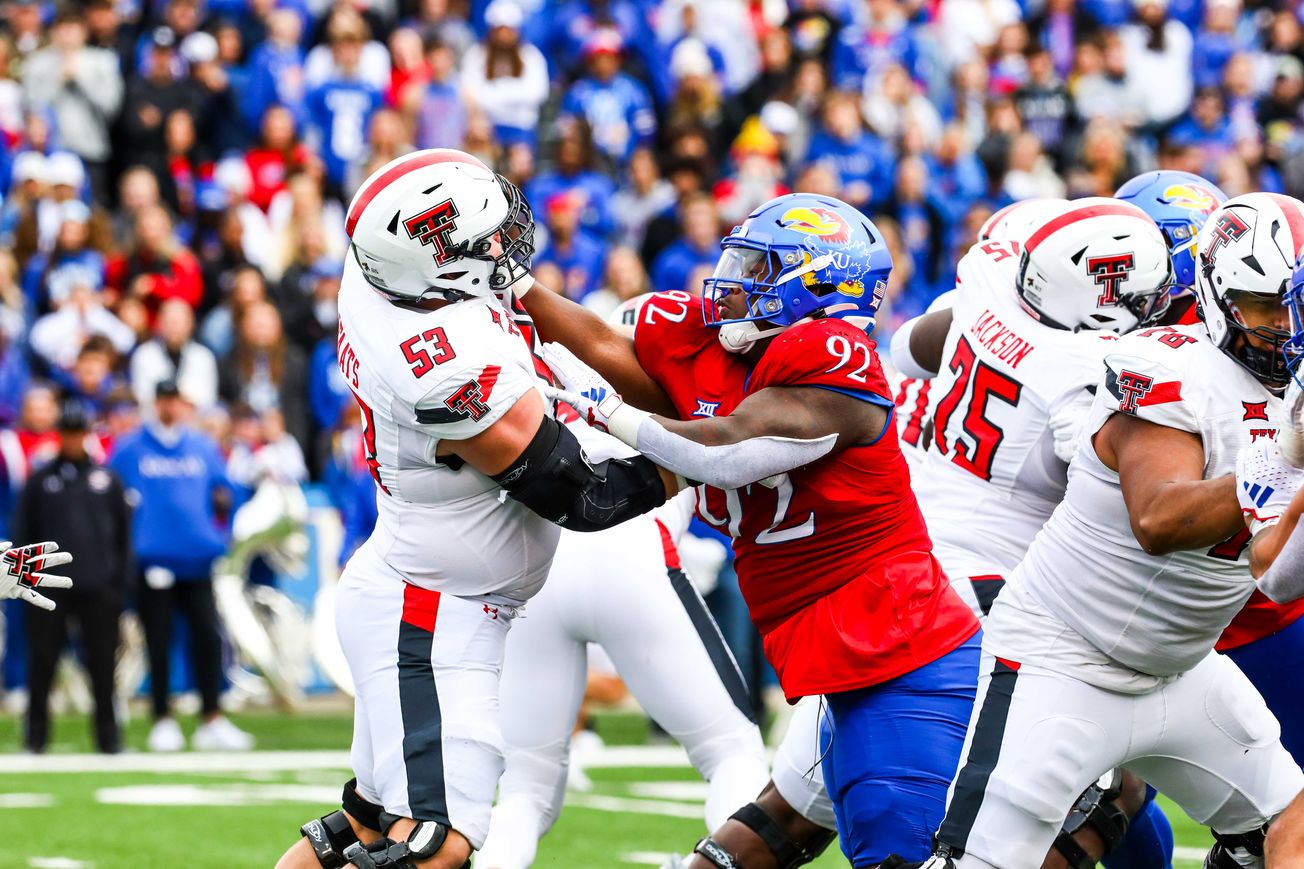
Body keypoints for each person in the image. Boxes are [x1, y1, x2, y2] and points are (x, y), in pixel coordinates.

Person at [519, 191, 981, 867]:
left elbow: (726, 451)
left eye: (758, 267)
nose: (730, 282)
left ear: (820, 284)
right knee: (733, 856)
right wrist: (512, 284)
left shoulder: (834, 356)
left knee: (897, 848)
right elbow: (597, 341)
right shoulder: (713, 348)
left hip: (899, 652)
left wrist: (609, 413)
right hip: (838, 658)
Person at [277, 149, 675, 869]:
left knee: (361, 831)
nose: (504, 244)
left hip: (422, 593)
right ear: (438, 266)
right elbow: (582, 495)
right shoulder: (436, 361)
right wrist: (709, 459)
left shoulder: (392, 274)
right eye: (484, 239)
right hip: (433, 613)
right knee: (438, 844)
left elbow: (546, 316)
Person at [902, 193, 1304, 869]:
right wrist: (1281, 460)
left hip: (1180, 670)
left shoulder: (1287, 392)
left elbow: (1274, 570)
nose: (1290, 328)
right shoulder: (1168, 363)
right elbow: (1159, 516)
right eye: (1270, 306)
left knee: (1285, 821)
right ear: (1218, 296)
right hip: (1061, 659)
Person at [108, 378, 254, 753]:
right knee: (158, 640)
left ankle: (211, 717)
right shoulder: (131, 450)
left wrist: (218, 535)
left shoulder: (202, 447)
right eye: (164, 399)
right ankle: (162, 718)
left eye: (175, 399)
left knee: (207, 637)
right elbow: (109, 498)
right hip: (153, 562)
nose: (170, 406)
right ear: (155, 403)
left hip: (197, 560)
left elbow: (227, 493)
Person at [16, 399, 130, 754]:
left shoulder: (106, 479)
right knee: (42, 664)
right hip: (49, 589)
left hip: (98, 588)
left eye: (78, 433)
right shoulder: (40, 481)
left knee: (102, 667)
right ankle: (35, 739)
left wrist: (119, 585)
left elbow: (123, 537)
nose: (72, 439)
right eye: (67, 433)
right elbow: (23, 534)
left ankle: (108, 739)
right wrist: (27, 583)